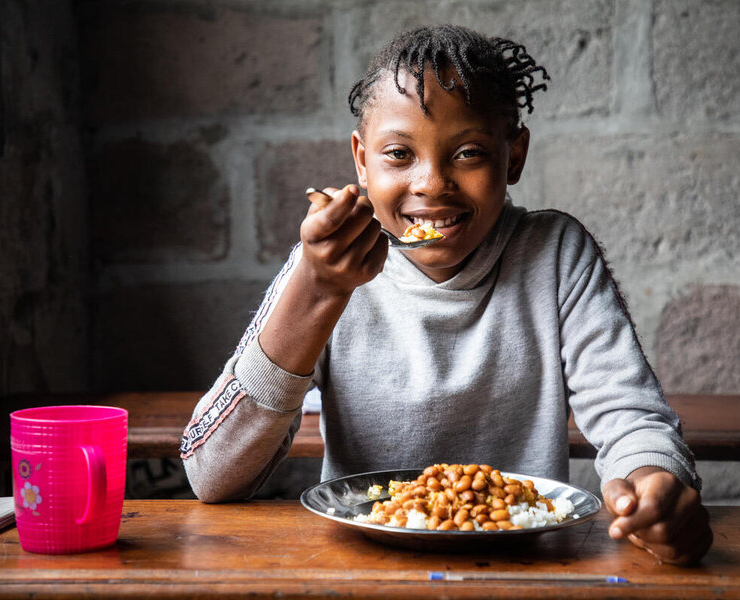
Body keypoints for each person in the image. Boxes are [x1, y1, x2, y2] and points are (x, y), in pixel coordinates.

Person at [181, 24, 712, 565]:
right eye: (397, 154)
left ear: (515, 156)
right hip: (361, 567)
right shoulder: (327, 264)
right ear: (362, 161)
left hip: (526, 566)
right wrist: (316, 293)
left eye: (469, 154)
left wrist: (652, 484)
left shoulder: (554, 254)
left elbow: (631, 415)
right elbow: (212, 475)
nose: (432, 184)